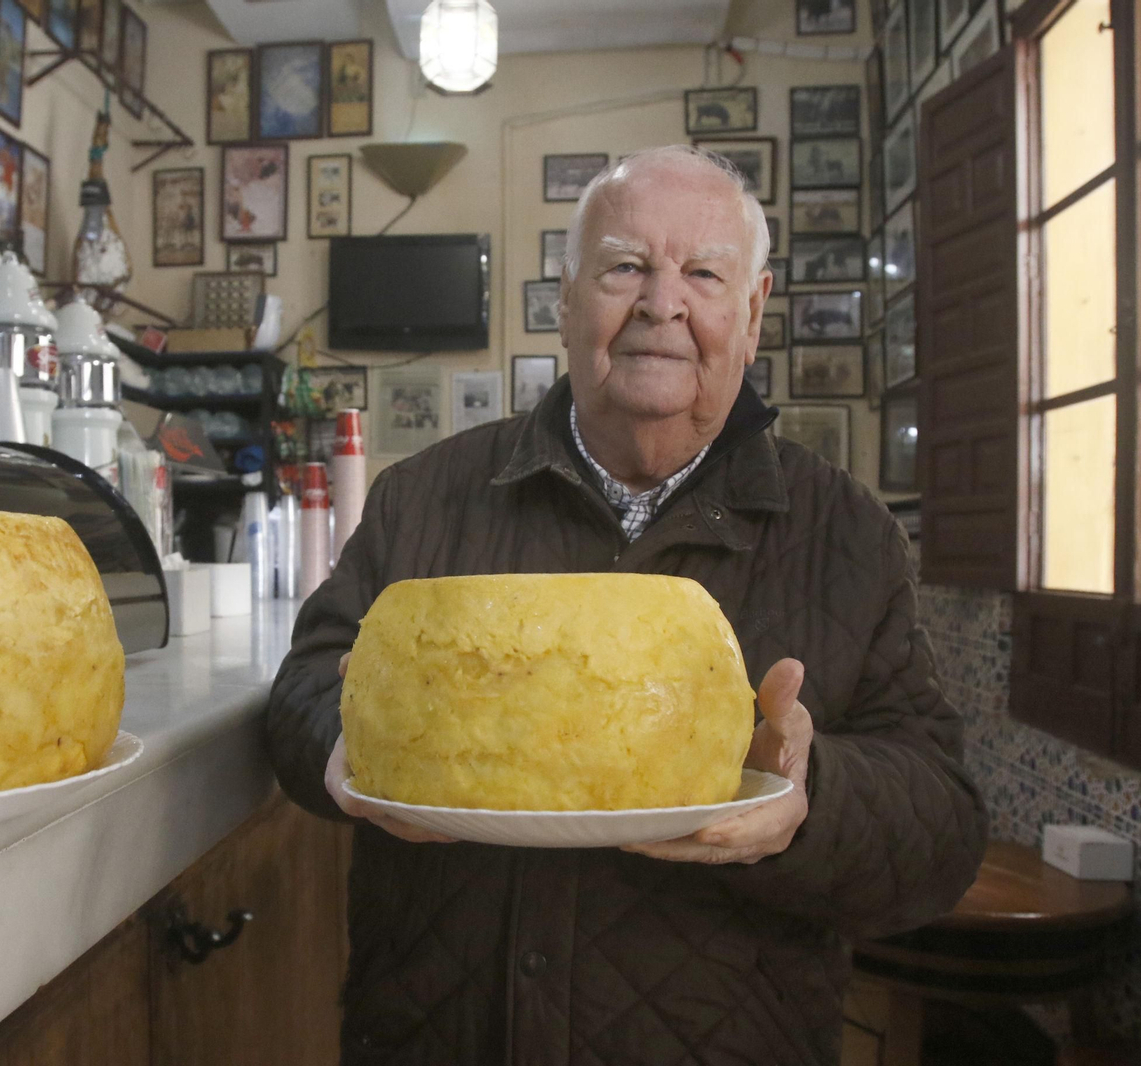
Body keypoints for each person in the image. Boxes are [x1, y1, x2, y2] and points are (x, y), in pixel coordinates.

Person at [265, 146, 988, 1065]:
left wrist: (812, 795)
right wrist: (354, 751)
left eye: (703, 273)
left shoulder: (846, 534)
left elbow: (944, 832)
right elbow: (302, 690)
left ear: (753, 310)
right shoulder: (425, 497)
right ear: (566, 299)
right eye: (625, 267)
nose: (662, 304)